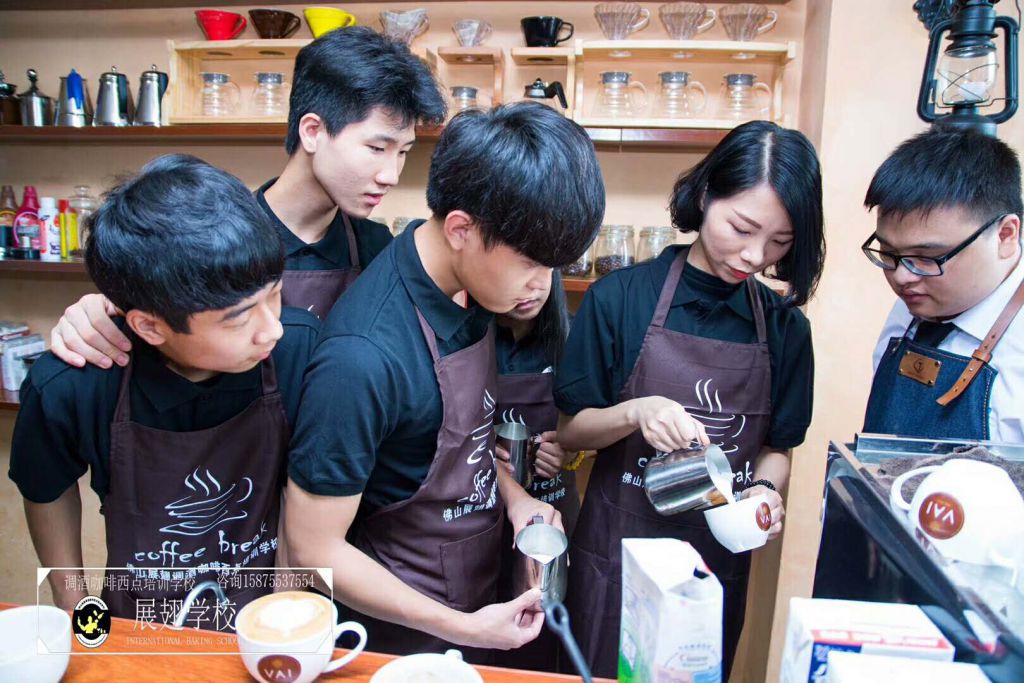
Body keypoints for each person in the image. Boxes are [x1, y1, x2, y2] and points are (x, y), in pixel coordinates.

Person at [284, 102, 605, 660]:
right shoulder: (361, 359)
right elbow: (313, 549)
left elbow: (452, 445)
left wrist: (515, 499)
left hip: (475, 593)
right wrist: (463, 628)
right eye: (531, 263)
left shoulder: (470, 286)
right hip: (399, 639)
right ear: (461, 229)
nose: (542, 284)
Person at [554, 120, 824, 679]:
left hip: (714, 563)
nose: (754, 255)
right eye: (742, 228)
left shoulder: (785, 329)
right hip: (617, 554)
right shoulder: (620, 298)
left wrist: (765, 494)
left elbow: (778, 448)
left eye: (780, 242)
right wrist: (637, 411)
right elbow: (572, 431)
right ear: (704, 196)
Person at [7, 155, 320, 620]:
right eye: (238, 319)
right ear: (150, 327)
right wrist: (73, 607)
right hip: (140, 617)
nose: (271, 329)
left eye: (274, 295)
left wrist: (285, 617)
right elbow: (46, 489)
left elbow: (307, 493)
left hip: (261, 607)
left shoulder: (299, 350)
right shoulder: (73, 384)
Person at [50, 26, 446, 368]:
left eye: (403, 152)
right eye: (377, 148)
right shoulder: (215, 240)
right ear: (312, 131)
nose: (391, 175)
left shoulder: (376, 249)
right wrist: (96, 313)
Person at [862, 128, 1023, 442]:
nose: (902, 277)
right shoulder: (919, 298)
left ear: (1005, 235)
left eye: (928, 257)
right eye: (889, 252)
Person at [492, 269, 581, 672]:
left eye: (543, 268)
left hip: (553, 517)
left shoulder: (574, 338)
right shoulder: (470, 339)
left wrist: (570, 452)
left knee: (543, 644)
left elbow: (593, 431)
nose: (531, 287)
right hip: (482, 516)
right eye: (518, 267)